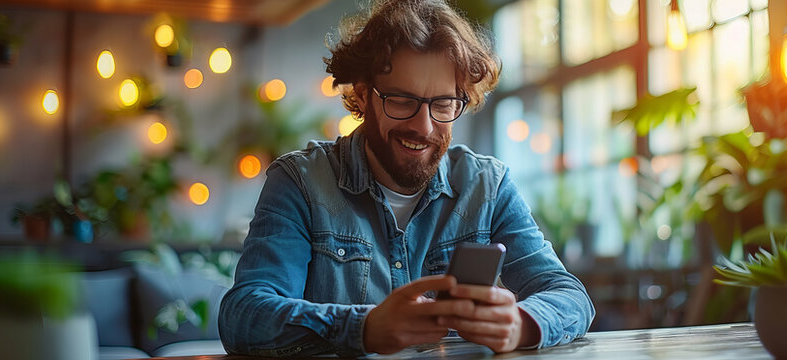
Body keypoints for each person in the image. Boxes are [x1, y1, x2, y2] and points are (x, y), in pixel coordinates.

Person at [218, 0, 595, 357]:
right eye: (402, 100)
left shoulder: (487, 185)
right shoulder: (300, 182)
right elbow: (245, 316)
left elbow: (569, 296)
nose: (424, 126)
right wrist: (364, 327)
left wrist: (521, 324)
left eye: (443, 103)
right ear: (364, 95)